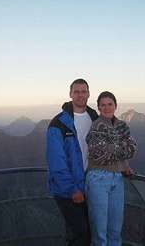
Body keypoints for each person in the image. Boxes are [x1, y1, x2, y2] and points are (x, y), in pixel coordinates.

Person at [46, 78, 98, 246]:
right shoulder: (58, 123)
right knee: (81, 234)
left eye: (84, 91)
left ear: (89, 94)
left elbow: (111, 146)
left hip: (89, 186)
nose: (80, 95)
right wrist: (72, 190)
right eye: (76, 91)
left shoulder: (95, 119)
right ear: (70, 94)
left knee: (85, 233)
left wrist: (124, 166)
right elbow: (56, 162)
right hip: (68, 190)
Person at [85, 91, 137, 246]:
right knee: (100, 233)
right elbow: (97, 154)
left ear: (115, 106)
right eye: (103, 105)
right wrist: (121, 148)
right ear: (99, 107)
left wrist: (121, 161)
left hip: (117, 179)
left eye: (110, 104)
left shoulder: (122, 125)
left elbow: (133, 149)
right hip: (97, 179)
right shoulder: (97, 126)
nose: (106, 108)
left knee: (115, 231)